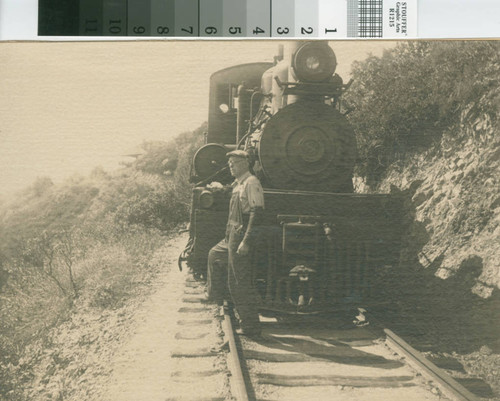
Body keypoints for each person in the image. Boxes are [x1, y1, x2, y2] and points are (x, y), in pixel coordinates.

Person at [206, 150, 264, 337]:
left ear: (244, 164)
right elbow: (232, 194)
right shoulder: (239, 184)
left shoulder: (251, 183)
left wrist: (246, 241)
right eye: (229, 163)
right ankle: (217, 297)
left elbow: (256, 212)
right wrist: (219, 188)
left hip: (240, 234)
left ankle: (251, 327)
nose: (230, 166)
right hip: (231, 234)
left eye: (233, 163)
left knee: (239, 282)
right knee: (214, 254)